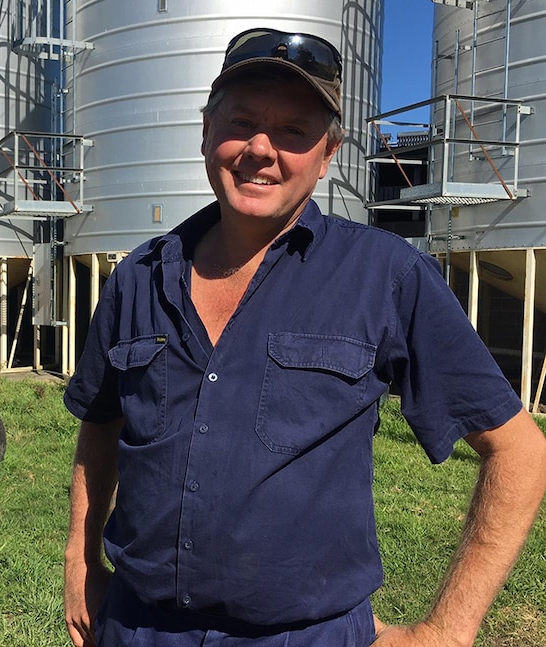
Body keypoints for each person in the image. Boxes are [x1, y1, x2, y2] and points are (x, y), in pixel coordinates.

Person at [62, 27, 546, 647]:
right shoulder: (139, 277)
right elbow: (100, 420)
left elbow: (520, 452)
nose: (261, 149)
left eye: (294, 130)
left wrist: (445, 633)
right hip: (137, 626)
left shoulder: (387, 276)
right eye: (241, 122)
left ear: (327, 154)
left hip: (302, 635)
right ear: (207, 133)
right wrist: (80, 560)